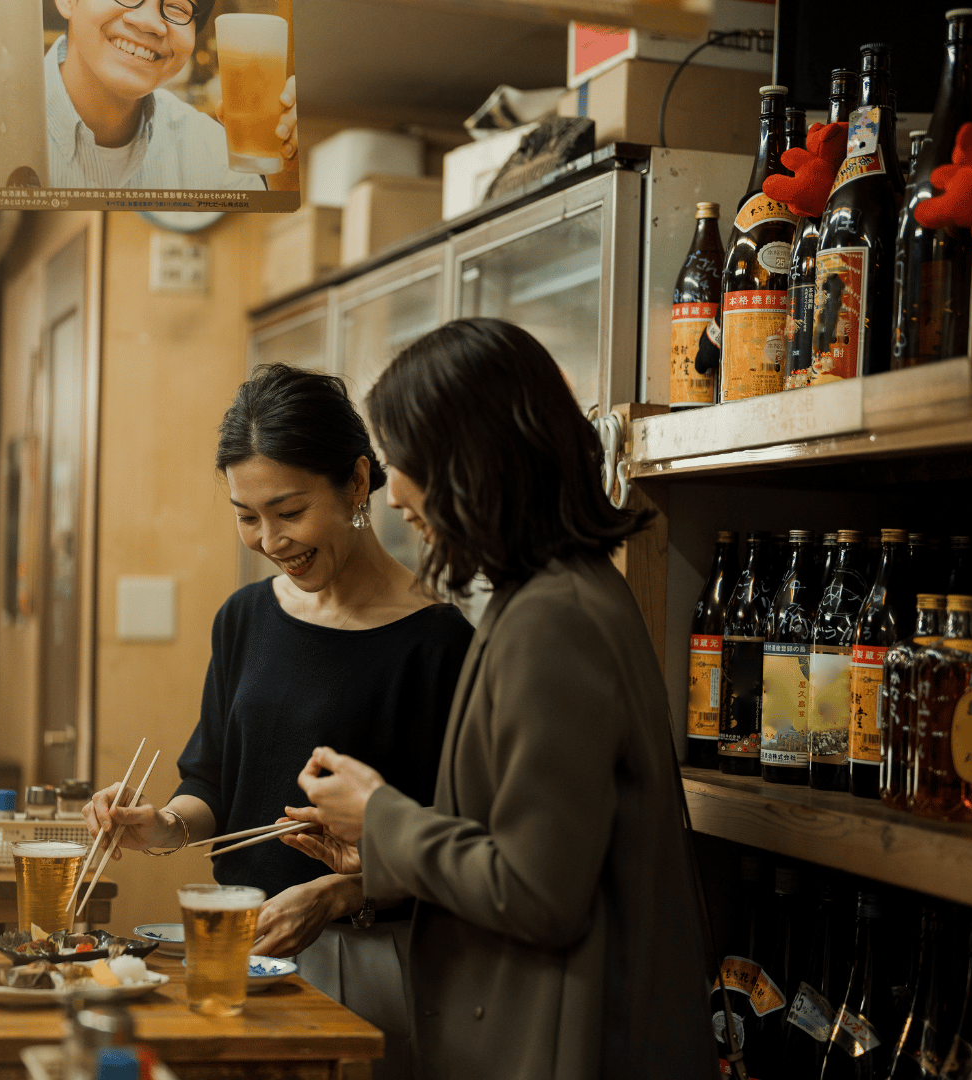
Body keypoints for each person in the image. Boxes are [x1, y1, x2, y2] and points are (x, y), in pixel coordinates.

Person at [283, 319, 716, 1079]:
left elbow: (537, 892)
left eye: (399, 461)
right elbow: (522, 837)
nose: (391, 493)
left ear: (467, 460)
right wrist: (377, 849)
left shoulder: (554, 619)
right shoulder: (562, 592)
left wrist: (383, 815)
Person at [84, 364, 473, 1080]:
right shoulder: (245, 617)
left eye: (288, 511)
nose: (268, 540)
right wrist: (163, 825)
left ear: (357, 483)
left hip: (369, 961)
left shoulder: (438, 642)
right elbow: (213, 782)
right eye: (245, 515)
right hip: (234, 951)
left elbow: (460, 846)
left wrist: (339, 894)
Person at [46, 0, 297, 190]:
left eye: (178, 5)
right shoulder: (8, 128)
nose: (149, 23)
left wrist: (288, 168)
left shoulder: (212, 156)